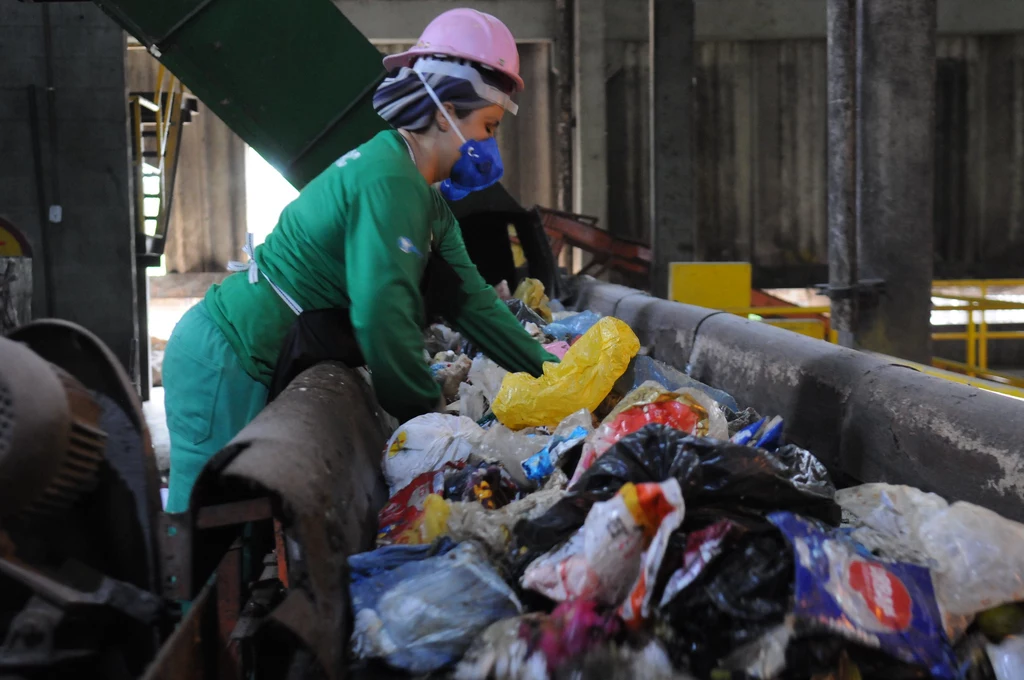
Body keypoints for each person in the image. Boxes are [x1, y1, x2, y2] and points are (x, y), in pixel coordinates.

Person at [162, 8, 558, 513]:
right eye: (487, 126)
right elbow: (382, 318)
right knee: (209, 531)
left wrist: (554, 377)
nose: (489, 145)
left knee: (242, 524)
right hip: (228, 355)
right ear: (443, 115)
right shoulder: (389, 181)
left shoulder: (427, 200)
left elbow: (474, 304)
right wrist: (428, 413)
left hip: (252, 355)